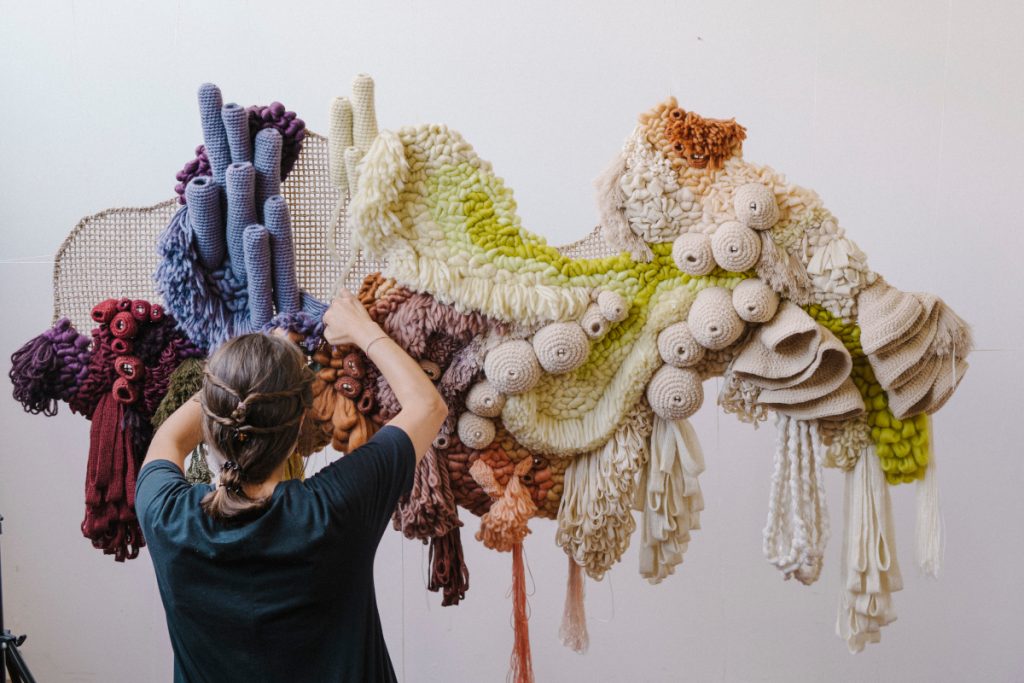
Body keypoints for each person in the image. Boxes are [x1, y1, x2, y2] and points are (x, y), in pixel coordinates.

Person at [135, 290, 448, 682]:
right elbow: (427, 406)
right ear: (303, 422)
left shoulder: (166, 517)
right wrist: (362, 330)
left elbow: (170, 438)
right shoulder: (333, 510)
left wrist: (251, 383)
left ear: (212, 424)